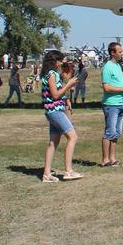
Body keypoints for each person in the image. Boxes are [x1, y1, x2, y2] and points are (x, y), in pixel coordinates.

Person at [40, 50, 82, 182]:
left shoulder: (50, 74)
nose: (62, 63)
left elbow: (57, 94)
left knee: (53, 142)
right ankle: (68, 170)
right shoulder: (52, 74)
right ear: (55, 61)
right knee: (73, 137)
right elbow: (55, 95)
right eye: (61, 60)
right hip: (55, 112)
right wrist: (68, 85)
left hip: (53, 111)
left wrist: (66, 99)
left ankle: (47, 174)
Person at [101, 42, 123, 166]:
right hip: (111, 104)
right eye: (120, 51)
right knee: (109, 132)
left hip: (119, 103)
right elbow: (106, 88)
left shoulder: (118, 66)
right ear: (112, 52)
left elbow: (119, 84)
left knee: (116, 132)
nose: (122, 53)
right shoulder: (107, 67)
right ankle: (105, 160)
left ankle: (112, 158)